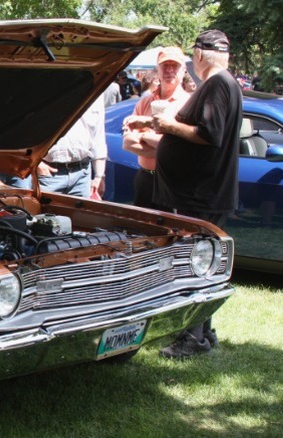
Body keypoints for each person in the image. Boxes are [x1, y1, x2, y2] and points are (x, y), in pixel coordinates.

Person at [152, 30, 243, 359]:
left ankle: (192, 339)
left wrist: (168, 124)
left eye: (193, 55)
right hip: (205, 193)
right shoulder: (226, 84)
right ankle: (204, 332)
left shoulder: (219, 84)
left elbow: (209, 133)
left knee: (195, 265)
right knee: (205, 265)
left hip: (201, 195)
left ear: (202, 55)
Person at [121, 47, 192, 209]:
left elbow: (183, 152)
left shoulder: (189, 105)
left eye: (175, 66)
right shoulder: (144, 102)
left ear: (184, 70)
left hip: (174, 181)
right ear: (157, 69)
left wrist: (144, 136)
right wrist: (167, 147)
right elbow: (128, 143)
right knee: (143, 230)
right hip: (145, 179)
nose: (169, 70)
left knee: (173, 232)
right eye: (165, 65)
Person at [36, 97, 106, 198]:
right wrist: (37, 164)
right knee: (45, 213)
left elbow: (99, 137)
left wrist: (99, 176)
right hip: (49, 175)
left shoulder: (95, 94)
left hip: (83, 175)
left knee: (80, 214)